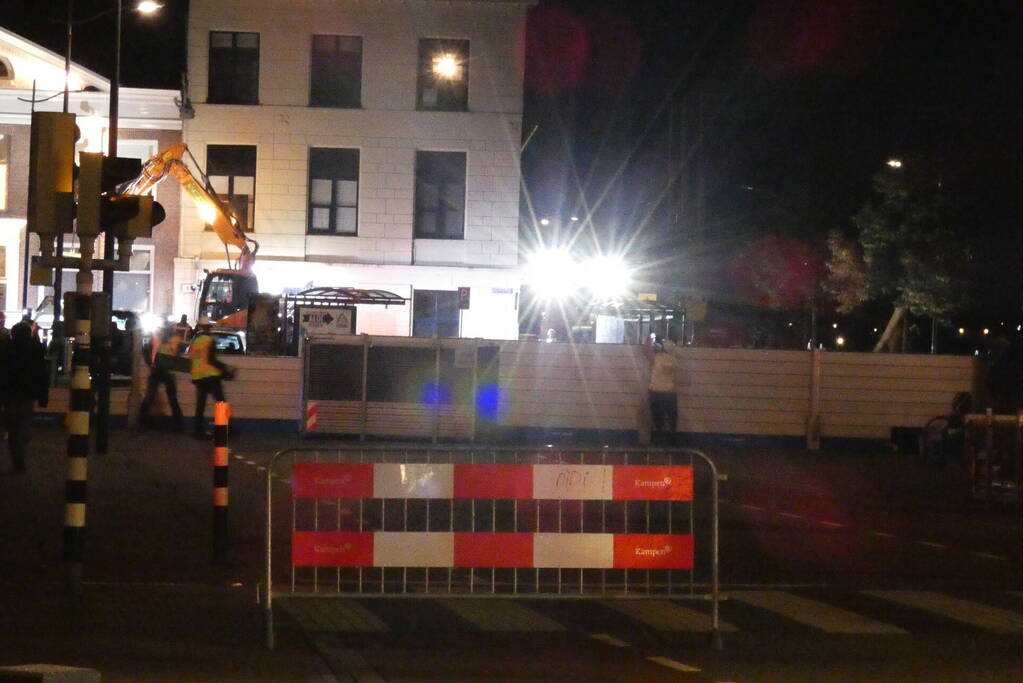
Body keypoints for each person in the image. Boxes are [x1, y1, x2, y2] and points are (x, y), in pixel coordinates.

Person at [3, 322, 49, 472]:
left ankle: (16, 456)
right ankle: (21, 455)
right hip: (28, 393)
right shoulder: (36, 349)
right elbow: (42, 374)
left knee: (12, 427)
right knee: (24, 424)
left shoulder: (5, 348)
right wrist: (43, 395)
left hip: (10, 393)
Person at [188, 317, 230, 438]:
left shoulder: (194, 341)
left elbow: (191, 357)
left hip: (198, 377)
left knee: (200, 405)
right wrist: (225, 368)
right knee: (221, 403)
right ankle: (225, 429)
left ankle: (198, 430)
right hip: (211, 377)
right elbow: (211, 360)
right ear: (208, 328)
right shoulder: (209, 340)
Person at [139, 323, 185, 431]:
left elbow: (147, 350)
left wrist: (151, 363)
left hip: (158, 370)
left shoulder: (157, 336)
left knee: (150, 397)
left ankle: (142, 422)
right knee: (172, 398)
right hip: (168, 371)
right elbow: (177, 353)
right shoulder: (175, 338)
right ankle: (178, 424)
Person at [645, 337, 679, 446]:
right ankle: (672, 442)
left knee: (657, 419)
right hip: (670, 393)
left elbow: (646, 351)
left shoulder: (656, 358)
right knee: (671, 420)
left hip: (656, 392)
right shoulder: (674, 360)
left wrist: (648, 340)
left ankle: (657, 441)